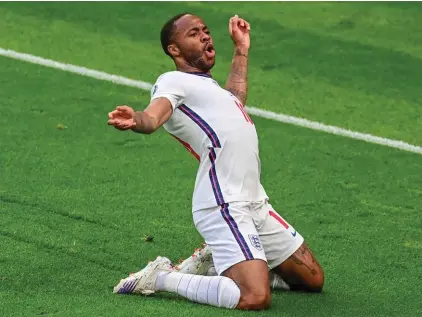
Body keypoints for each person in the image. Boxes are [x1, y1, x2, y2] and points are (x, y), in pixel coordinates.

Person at [108, 13, 324, 310]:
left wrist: (241, 50)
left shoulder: (209, 89)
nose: (206, 36)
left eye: (206, 31)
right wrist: (138, 120)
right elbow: (154, 115)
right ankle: (161, 277)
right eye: (194, 33)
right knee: (254, 297)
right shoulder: (173, 81)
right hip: (224, 201)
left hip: (254, 200)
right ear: (175, 50)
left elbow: (235, 98)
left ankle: (227, 259)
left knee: (312, 279)